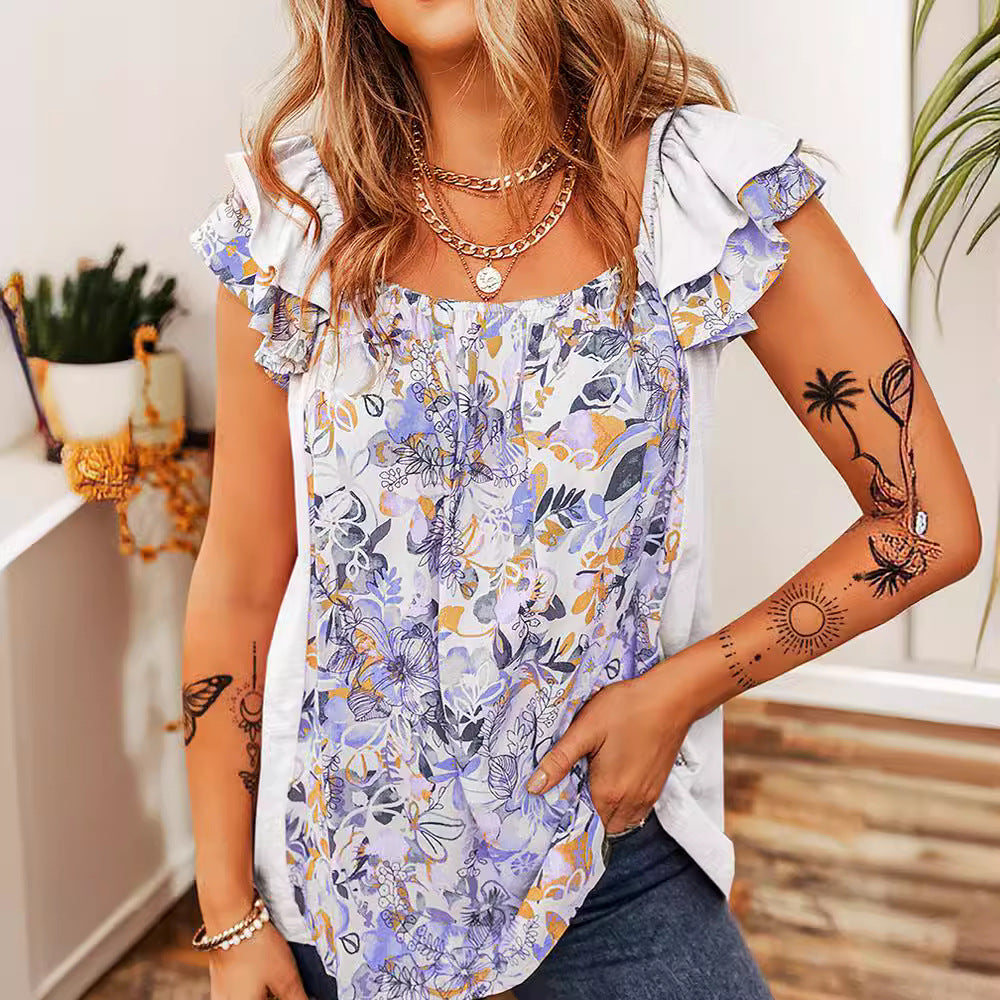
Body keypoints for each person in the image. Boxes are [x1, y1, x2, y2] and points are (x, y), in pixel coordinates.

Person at [182, 1, 982, 998]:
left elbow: (926, 522)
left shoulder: (705, 194)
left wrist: (680, 689)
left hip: (610, 866)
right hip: (342, 891)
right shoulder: (293, 225)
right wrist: (229, 916)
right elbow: (240, 588)